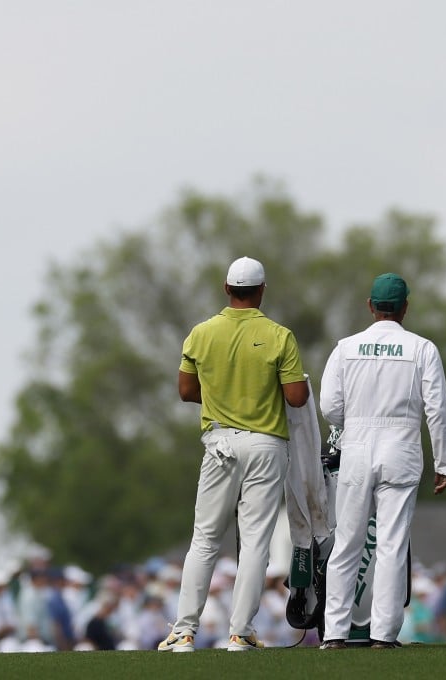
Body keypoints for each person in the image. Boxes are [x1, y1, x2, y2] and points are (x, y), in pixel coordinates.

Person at [159, 256, 309, 653]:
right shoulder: (279, 335)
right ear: (261, 291)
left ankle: (184, 631)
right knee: (256, 541)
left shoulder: (201, 333)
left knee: (205, 540)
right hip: (265, 443)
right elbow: (297, 397)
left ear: (226, 289)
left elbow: (187, 391)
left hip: (220, 442)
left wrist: (223, 393)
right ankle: (240, 633)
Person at [318, 272, 446, 650]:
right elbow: (438, 410)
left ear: (370, 305)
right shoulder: (422, 348)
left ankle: (334, 633)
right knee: (392, 544)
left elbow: (329, 405)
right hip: (402, 446)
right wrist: (445, 461)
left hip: (358, 445)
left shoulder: (346, 347)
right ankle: (384, 634)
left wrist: (350, 423)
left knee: (347, 541)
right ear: (405, 307)